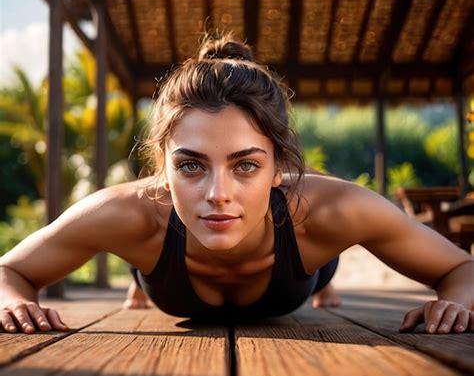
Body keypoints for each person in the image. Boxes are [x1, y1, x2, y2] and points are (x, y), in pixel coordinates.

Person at [0, 32, 473, 334]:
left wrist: (451, 303)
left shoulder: (330, 210)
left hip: (300, 265)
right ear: (162, 165)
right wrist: (16, 303)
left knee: (320, 266)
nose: (217, 193)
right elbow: (7, 273)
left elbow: (463, 271)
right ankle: (141, 279)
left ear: (278, 166)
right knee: (147, 247)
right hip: (160, 255)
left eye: (246, 165)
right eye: (190, 166)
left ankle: (324, 281)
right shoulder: (129, 213)